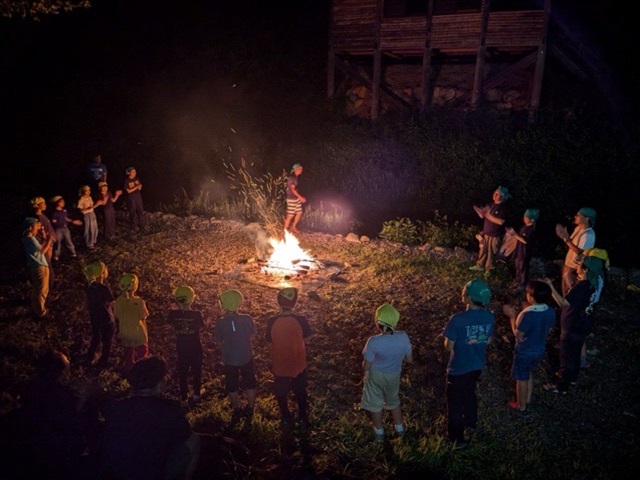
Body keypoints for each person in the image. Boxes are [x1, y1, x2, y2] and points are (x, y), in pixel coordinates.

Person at [101, 356, 200, 480]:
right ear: (160, 384)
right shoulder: (170, 410)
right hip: (153, 473)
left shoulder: (117, 406)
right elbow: (184, 435)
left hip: (119, 471)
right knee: (194, 440)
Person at [9, 350, 89, 479]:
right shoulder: (69, 397)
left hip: (32, 453)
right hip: (58, 456)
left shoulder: (28, 391)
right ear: (62, 372)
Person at [443, 279, 495, 448]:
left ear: (470, 299)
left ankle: (457, 438)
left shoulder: (457, 319)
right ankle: (471, 422)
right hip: (477, 365)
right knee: (469, 392)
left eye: (464, 292)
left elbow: (448, 346)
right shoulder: (489, 317)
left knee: (455, 402)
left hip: (458, 368)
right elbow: (488, 340)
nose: (462, 294)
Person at [542, 256, 605, 394]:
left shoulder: (582, 285)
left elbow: (564, 303)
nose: (577, 265)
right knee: (575, 354)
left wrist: (551, 287)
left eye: (580, 264)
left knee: (566, 357)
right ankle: (572, 378)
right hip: (584, 323)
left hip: (572, 325)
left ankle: (561, 386)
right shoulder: (593, 283)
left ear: (585, 269)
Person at [360, 303, 413, 442]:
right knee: (393, 400)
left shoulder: (373, 341)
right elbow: (410, 359)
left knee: (375, 404)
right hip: (394, 375)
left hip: (376, 375)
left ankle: (379, 432)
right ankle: (400, 428)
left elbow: (366, 367)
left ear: (378, 323)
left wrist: (363, 365)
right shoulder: (403, 337)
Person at [502, 281, 555, 414]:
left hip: (525, 351)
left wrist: (512, 316)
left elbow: (518, 335)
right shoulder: (550, 311)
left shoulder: (527, 315)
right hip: (539, 349)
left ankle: (521, 406)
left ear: (531, 297)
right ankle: (528, 399)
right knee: (528, 372)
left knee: (521, 379)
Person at [266, 287, 312, 429]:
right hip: (298, 362)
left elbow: (268, 341)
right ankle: (303, 415)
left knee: (281, 390)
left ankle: (285, 415)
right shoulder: (301, 320)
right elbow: (308, 339)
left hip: (280, 362)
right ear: (295, 303)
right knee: (300, 389)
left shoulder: (272, 321)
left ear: (278, 302)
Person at [214, 289, 257, 422]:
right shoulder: (247, 318)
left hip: (229, 358)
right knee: (250, 381)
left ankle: (236, 409)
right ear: (239, 303)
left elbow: (217, 339)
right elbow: (253, 333)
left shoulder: (220, 322)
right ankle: (250, 407)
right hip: (246, 356)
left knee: (232, 383)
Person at [167, 286, 206, 407]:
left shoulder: (173, 314)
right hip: (195, 346)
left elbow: (169, 324)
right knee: (196, 370)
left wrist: (175, 310)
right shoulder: (196, 314)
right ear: (192, 299)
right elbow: (203, 327)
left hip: (181, 346)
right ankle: (196, 394)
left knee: (183, 371)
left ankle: (183, 398)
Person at [470, 186, 512, 277]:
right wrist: (478, 210)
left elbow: (500, 222)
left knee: (491, 253)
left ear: (503, 197)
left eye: (497, 194)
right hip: (486, 233)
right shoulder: (490, 204)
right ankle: (479, 266)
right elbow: (482, 215)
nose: (495, 194)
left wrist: (487, 215)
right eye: (495, 192)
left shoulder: (503, 208)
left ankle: (489, 270)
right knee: (483, 250)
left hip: (495, 235)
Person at [556, 207, 596, 296]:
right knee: (565, 289)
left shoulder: (588, 235)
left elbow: (579, 252)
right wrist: (564, 236)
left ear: (586, 219)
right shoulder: (578, 228)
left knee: (571, 292)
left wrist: (566, 239)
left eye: (578, 215)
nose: (575, 216)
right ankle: (564, 307)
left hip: (575, 268)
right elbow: (571, 243)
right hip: (568, 264)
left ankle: (569, 308)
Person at [114, 273, 150, 373]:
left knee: (128, 353)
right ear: (135, 286)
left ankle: (129, 371)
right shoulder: (139, 301)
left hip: (125, 332)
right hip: (139, 332)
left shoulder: (119, 301)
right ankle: (143, 371)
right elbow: (144, 315)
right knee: (142, 353)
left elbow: (117, 314)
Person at [84, 261, 116, 369]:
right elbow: (112, 304)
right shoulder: (104, 289)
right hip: (107, 320)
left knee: (96, 338)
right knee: (107, 342)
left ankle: (89, 358)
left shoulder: (90, 287)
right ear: (102, 274)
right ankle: (103, 362)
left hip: (95, 318)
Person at [21, 217, 54, 319]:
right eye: (36, 226)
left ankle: (37, 308)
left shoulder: (28, 238)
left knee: (39, 289)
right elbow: (42, 251)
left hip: (36, 265)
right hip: (39, 266)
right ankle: (40, 312)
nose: (37, 228)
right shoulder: (29, 239)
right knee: (41, 290)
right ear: (31, 227)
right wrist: (49, 240)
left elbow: (40, 248)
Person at [508, 208, 539, 290]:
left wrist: (515, 234)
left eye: (526, 217)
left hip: (524, 253)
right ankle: (517, 281)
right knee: (518, 267)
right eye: (524, 216)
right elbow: (519, 237)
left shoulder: (531, 230)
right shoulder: (524, 227)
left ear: (531, 219)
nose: (524, 218)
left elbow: (525, 241)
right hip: (519, 251)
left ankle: (522, 285)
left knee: (523, 269)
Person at [31, 196, 56, 284]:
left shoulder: (41, 215)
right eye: (43, 203)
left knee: (48, 264)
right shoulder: (38, 218)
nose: (45, 205)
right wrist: (48, 244)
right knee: (47, 266)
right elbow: (43, 234)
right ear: (37, 205)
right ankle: (48, 288)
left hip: (48, 243)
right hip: (46, 245)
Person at [50, 195, 82, 261]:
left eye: (63, 201)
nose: (63, 203)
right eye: (61, 202)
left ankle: (73, 253)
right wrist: (58, 223)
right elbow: (54, 221)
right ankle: (56, 256)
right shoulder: (55, 213)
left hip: (65, 228)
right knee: (58, 242)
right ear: (57, 203)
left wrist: (73, 221)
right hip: (58, 229)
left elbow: (65, 218)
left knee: (68, 240)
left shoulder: (64, 210)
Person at [77, 185, 103, 250]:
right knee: (89, 229)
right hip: (87, 215)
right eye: (87, 190)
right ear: (83, 191)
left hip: (92, 214)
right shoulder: (81, 199)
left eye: (89, 190)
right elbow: (80, 210)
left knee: (94, 228)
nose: (88, 192)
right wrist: (86, 209)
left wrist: (95, 205)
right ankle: (89, 244)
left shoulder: (90, 198)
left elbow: (92, 206)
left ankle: (93, 242)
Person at [283, 163, 306, 234]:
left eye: (301, 169)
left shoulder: (296, 177)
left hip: (296, 199)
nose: (301, 170)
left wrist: (298, 197)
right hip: (291, 199)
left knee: (299, 212)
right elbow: (292, 189)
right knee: (290, 215)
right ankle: (284, 231)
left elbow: (294, 189)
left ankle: (293, 227)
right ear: (295, 169)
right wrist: (300, 197)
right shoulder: (292, 178)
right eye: (300, 169)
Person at [124, 166, 148, 231]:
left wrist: (140, 187)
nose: (135, 173)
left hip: (138, 197)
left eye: (135, 171)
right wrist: (136, 187)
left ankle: (142, 226)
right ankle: (133, 226)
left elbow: (139, 188)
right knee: (133, 212)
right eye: (133, 172)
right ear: (129, 173)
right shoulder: (127, 181)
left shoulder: (137, 179)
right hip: (132, 198)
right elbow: (128, 191)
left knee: (140, 211)